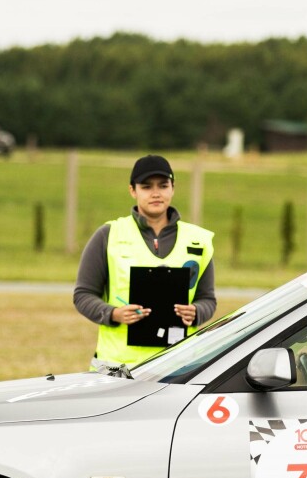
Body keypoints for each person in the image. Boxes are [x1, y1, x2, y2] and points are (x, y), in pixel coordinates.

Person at [74, 154, 216, 366]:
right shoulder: (108, 235)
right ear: (133, 190)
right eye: (147, 186)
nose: (156, 193)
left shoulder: (198, 241)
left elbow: (208, 299)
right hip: (118, 367)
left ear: (173, 188)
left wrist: (196, 312)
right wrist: (114, 314)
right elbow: (83, 295)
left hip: (178, 365)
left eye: (163, 185)